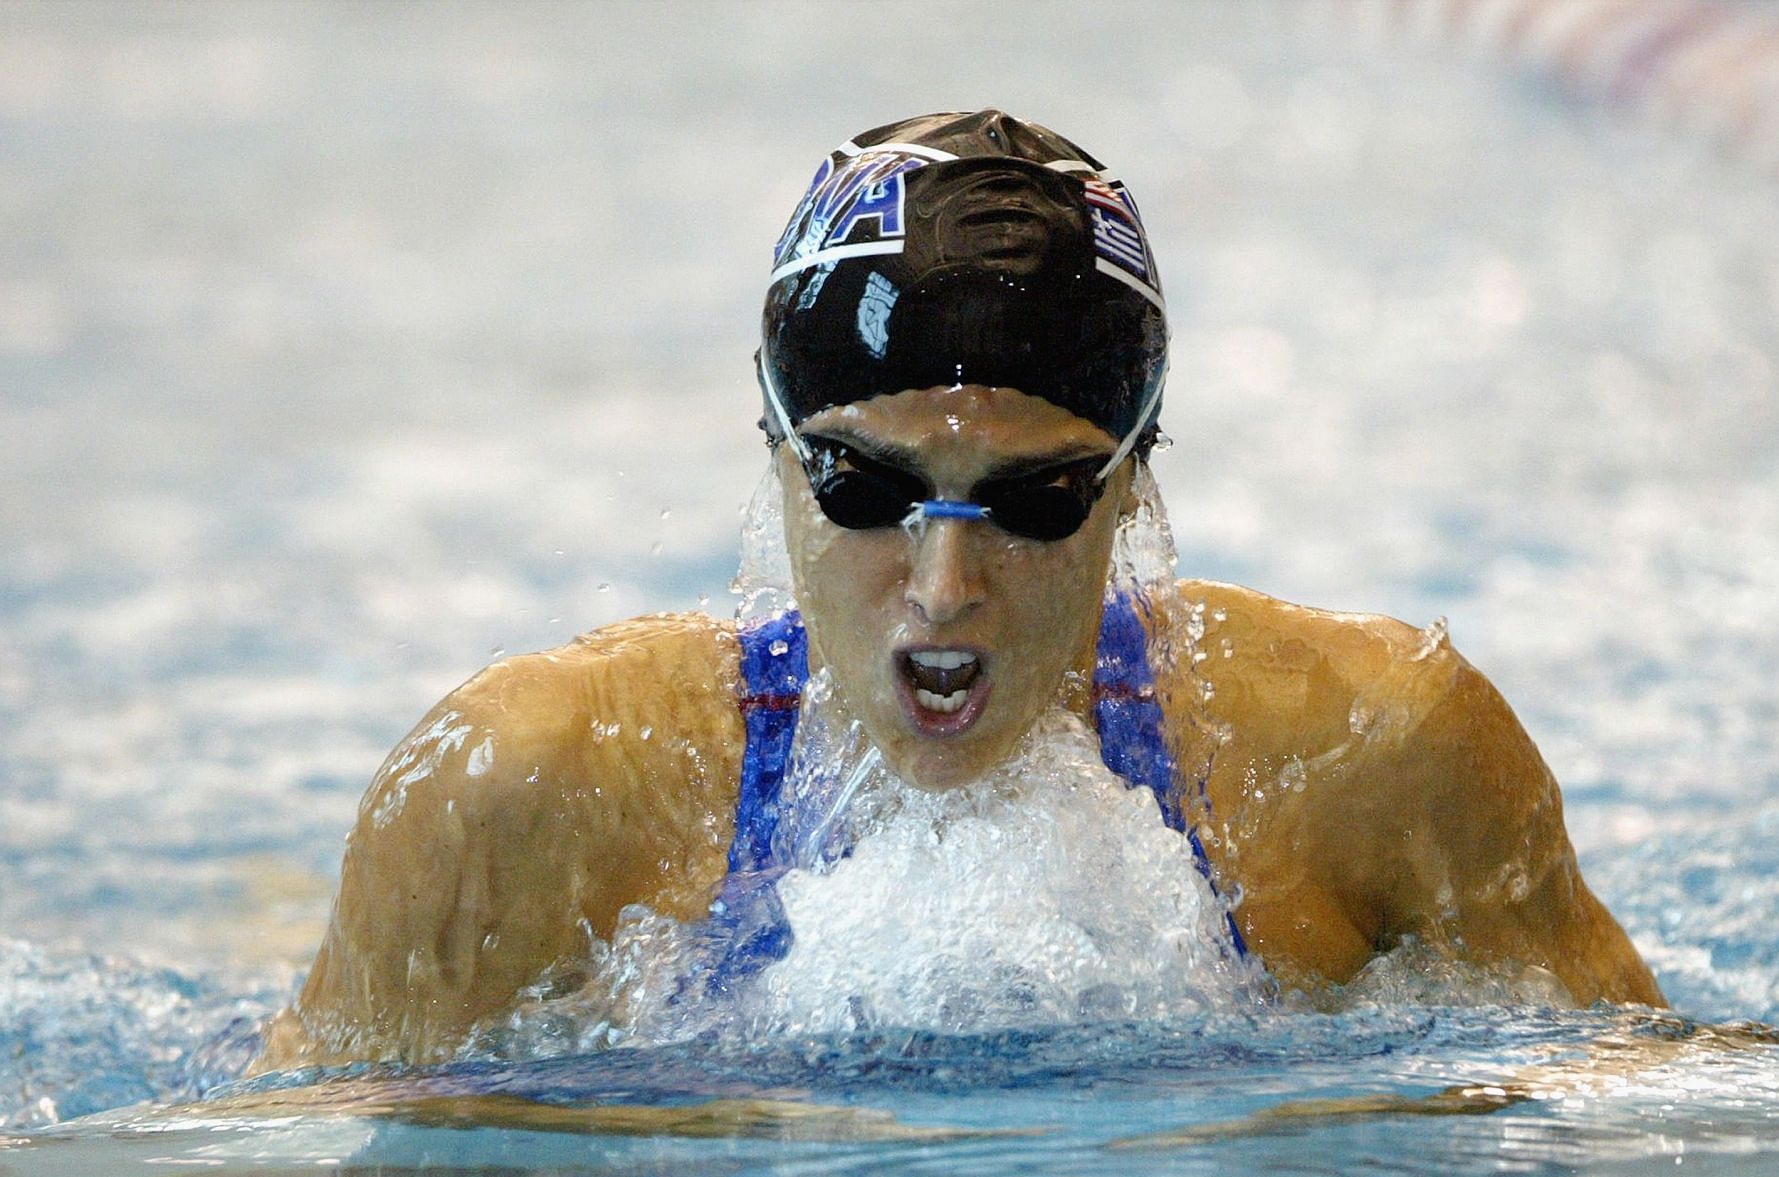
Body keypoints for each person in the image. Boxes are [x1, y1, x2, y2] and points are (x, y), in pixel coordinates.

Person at [255, 109, 1661, 1071]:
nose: (942, 588)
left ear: (1136, 482)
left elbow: (1655, 1114)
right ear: (774, 458)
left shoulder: (1377, 758)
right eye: (863, 490)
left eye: (1035, 501)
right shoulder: (522, 798)